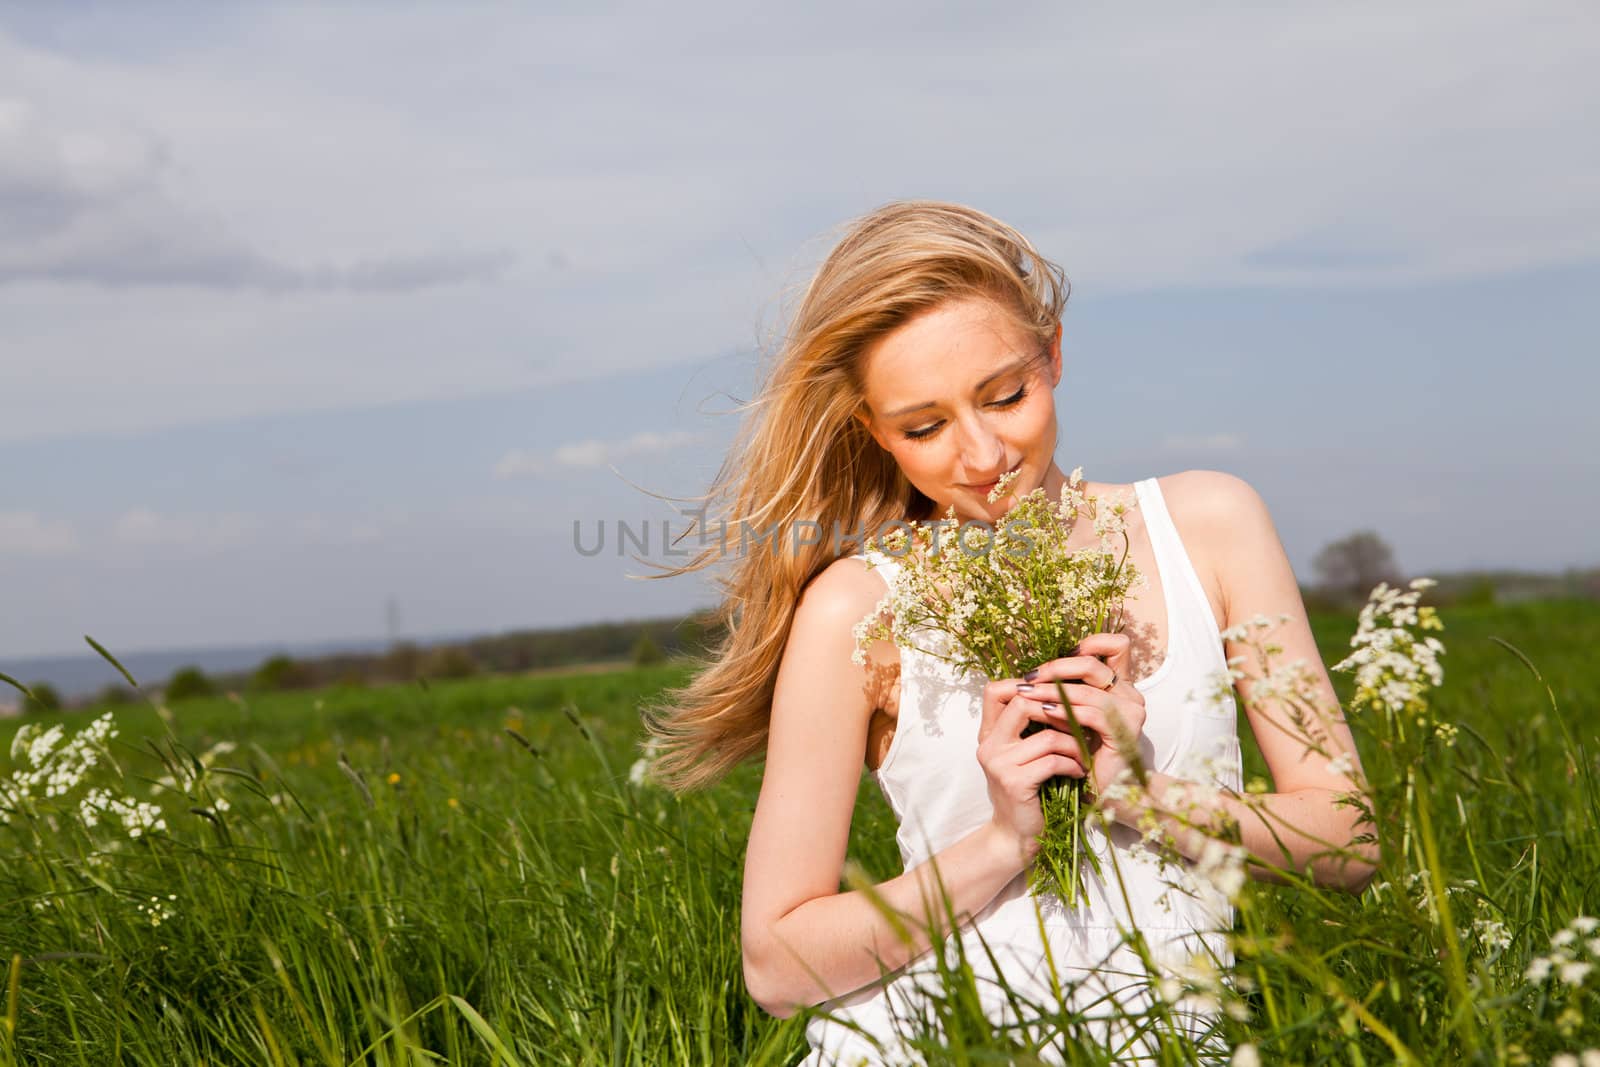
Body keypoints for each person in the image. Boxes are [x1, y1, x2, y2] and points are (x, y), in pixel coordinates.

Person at [638, 200, 1379, 1065]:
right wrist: (1002, 843)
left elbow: (1350, 841)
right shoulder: (853, 608)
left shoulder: (1210, 523)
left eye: (1006, 395)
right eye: (924, 427)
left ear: (1054, 353)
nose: (983, 455)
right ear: (873, 431)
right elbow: (775, 965)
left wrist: (1149, 798)